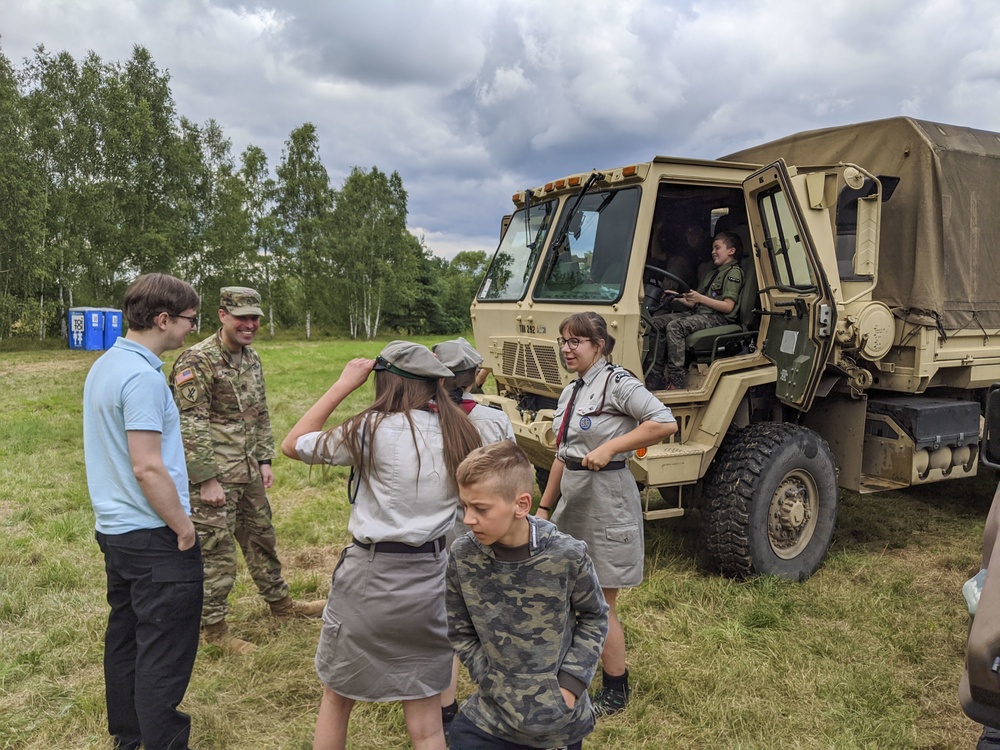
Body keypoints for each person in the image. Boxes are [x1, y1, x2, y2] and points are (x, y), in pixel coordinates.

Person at [280, 341, 482, 750]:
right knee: (426, 722)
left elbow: (293, 443)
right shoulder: (462, 431)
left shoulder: (368, 430)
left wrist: (342, 386)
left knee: (337, 698)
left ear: (385, 382)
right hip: (432, 578)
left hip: (371, 576)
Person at [82, 273, 204, 750]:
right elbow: (148, 467)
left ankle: (128, 738)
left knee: (128, 640)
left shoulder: (105, 365)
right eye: (190, 320)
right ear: (162, 318)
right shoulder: (142, 377)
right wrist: (184, 527)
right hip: (155, 535)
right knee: (164, 654)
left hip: (115, 532)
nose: (192, 330)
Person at [536, 312, 677, 717]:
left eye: (575, 341)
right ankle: (566, 677)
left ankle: (617, 689)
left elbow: (663, 422)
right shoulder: (571, 392)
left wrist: (612, 447)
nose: (567, 348)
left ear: (599, 345)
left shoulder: (618, 383)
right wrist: (546, 507)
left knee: (600, 602)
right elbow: (562, 454)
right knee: (565, 595)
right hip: (573, 501)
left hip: (608, 499)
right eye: (563, 341)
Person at [170, 286, 323, 655]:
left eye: (255, 318)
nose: (250, 324)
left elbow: (261, 412)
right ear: (222, 315)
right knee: (217, 553)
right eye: (242, 318)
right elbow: (190, 425)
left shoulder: (251, 359)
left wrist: (265, 459)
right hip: (214, 477)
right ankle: (214, 630)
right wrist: (206, 478)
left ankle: (282, 606)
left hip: (248, 469)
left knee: (261, 538)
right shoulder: (197, 361)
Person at [446, 441, 609, 750]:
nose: (468, 519)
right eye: (464, 506)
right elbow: (459, 628)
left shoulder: (567, 555)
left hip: (557, 721)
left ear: (521, 505)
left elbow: (595, 616)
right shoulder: (463, 555)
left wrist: (570, 686)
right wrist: (489, 678)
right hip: (490, 715)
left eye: (481, 509)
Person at [432, 337, 516, 729]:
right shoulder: (492, 418)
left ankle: (445, 707)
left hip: (440, 532)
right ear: (470, 376)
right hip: (487, 530)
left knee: (448, 618)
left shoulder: (419, 418)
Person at [647, 231, 745, 390]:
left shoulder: (733, 272)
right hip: (701, 314)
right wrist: (677, 297)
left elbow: (728, 306)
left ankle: (676, 379)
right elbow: (696, 304)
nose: (713, 252)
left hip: (718, 318)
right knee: (656, 323)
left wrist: (700, 298)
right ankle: (655, 373)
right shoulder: (712, 272)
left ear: (731, 251)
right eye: (713, 248)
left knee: (675, 327)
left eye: (717, 248)